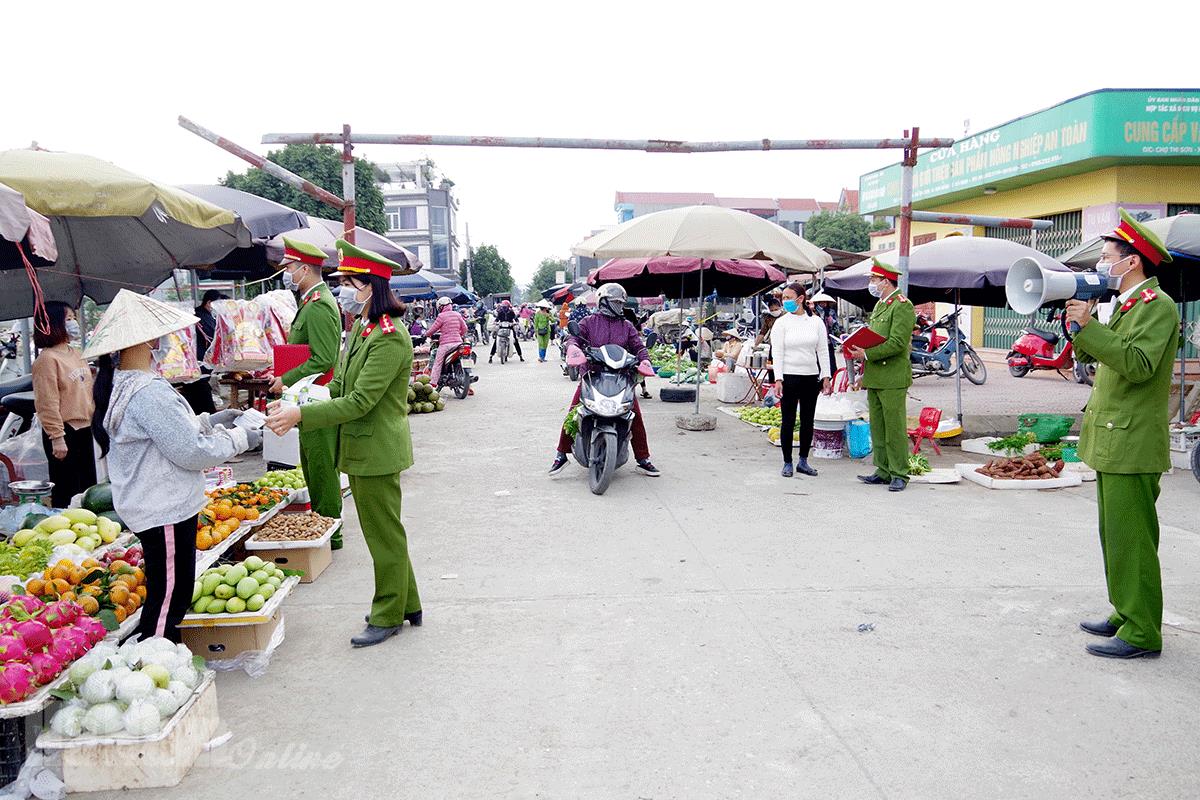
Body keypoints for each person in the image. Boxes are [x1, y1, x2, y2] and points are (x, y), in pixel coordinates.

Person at [266, 239, 421, 649]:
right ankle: (409, 602)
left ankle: (388, 614)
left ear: (368, 287)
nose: (345, 291)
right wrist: (302, 399)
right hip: (365, 446)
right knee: (387, 531)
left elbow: (360, 401)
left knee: (382, 534)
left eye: (349, 282)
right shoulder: (366, 329)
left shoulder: (389, 336)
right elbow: (339, 384)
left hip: (377, 449)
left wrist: (302, 415)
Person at [88, 290, 259, 643]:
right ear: (147, 339)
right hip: (162, 507)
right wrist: (241, 436)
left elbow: (169, 433)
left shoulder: (124, 382)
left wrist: (213, 420)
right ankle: (156, 653)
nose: (164, 341)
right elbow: (191, 452)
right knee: (169, 595)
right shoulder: (146, 391)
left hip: (156, 503)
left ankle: (165, 648)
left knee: (174, 587)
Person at [1068, 209, 1180, 660]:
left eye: (1108, 256)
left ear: (1132, 261)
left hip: (1132, 442)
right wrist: (1080, 327)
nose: (1101, 264)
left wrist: (1091, 328)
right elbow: (1104, 360)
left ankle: (1142, 633)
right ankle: (1125, 610)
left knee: (1132, 539)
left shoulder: (1158, 307)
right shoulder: (1127, 306)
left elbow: (1136, 365)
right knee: (1114, 535)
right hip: (1115, 438)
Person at [268, 237, 345, 545]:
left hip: (317, 399)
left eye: (289, 268)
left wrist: (286, 377)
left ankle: (331, 533)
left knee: (322, 469)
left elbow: (324, 358)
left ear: (304, 269)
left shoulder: (319, 305)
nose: (287, 274)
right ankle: (325, 529)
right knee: (314, 466)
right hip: (308, 397)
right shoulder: (311, 302)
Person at [550, 283, 660, 477]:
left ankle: (643, 459)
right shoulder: (588, 321)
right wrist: (573, 348)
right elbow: (574, 338)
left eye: (621, 303)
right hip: (593, 374)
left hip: (621, 377)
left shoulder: (626, 326)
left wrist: (645, 359)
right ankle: (561, 455)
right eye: (615, 302)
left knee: (634, 415)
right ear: (604, 301)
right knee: (574, 411)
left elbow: (638, 346)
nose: (619, 306)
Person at [848, 259, 915, 492]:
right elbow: (873, 336)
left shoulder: (902, 305)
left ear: (885, 282)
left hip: (893, 376)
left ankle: (899, 473)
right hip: (875, 375)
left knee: (894, 427)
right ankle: (883, 469)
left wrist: (866, 354)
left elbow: (897, 343)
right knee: (878, 426)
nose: (871, 284)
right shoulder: (880, 305)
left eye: (873, 280)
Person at [32, 301, 96, 508]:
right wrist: (57, 437)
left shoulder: (76, 354)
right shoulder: (47, 360)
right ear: (54, 324)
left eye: (74, 318)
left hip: (86, 428)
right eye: (68, 319)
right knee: (68, 489)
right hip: (65, 432)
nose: (74, 323)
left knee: (88, 489)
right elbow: (47, 402)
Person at [770, 283, 833, 477]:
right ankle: (787, 462)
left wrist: (826, 376)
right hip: (788, 377)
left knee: (807, 420)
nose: (785, 301)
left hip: (810, 377)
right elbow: (777, 353)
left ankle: (803, 461)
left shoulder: (816, 322)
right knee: (788, 420)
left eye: (789, 297)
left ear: (800, 299)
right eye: (784, 298)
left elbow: (823, 350)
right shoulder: (781, 323)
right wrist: (778, 378)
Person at [179, 289, 228, 415]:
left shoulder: (200, 314)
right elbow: (215, 337)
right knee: (199, 391)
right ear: (209, 303)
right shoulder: (202, 317)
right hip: (198, 363)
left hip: (193, 364)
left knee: (195, 391)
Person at [426, 296, 468, 387]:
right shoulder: (457, 314)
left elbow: (433, 329)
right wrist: (458, 334)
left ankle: (433, 384)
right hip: (458, 343)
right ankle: (468, 387)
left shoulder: (441, 316)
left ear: (441, 307)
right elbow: (465, 328)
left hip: (446, 344)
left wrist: (426, 334)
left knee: (437, 363)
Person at [810, 291, 842, 377]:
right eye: (821, 302)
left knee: (831, 363)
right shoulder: (814, 312)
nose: (823, 304)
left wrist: (830, 319)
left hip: (828, 340)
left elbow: (835, 326)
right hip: (817, 340)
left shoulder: (831, 312)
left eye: (825, 302)